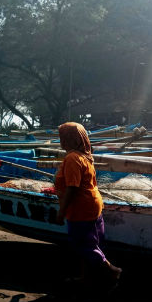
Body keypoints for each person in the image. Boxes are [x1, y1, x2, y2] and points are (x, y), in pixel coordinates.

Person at [54, 122, 122, 291]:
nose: (60, 140)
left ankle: (112, 271)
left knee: (83, 244)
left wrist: (61, 212)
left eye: (62, 137)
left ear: (70, 138)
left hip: (81, 208)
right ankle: (86, 278)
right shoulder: (85, 156)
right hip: (93, 204)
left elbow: (72, 187)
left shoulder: (72, 158)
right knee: (92, 243)